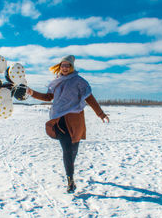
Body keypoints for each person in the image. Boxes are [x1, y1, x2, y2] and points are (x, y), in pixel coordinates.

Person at [26, 55, 109, 193]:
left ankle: (70, 171)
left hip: (75, 120)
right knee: (67, 150)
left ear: (71, 67)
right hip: (59, 120)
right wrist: (31, 92)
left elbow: (89, 98)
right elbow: (48, 97)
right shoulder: (56, 81)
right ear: (60, 66)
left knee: (73, 150)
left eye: (68, 65)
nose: (65, 68)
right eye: (63, 65)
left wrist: (101, 114)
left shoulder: (79, 81)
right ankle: (70, 181)